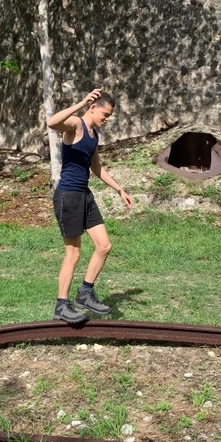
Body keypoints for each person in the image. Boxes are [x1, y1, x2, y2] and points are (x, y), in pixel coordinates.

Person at [46, 88, 133, 324]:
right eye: (105, 114)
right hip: (68, 195)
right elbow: (52, 123)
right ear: (93, 108)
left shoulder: (94, 135)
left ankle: (85, 292)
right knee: (73, 253)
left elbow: (97, 168)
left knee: (104, 246)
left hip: (84, 194)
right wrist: (81, 102)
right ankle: (61, 305)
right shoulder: (75, 124)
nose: (106, 120)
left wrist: (119, 189)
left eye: (109, 116)